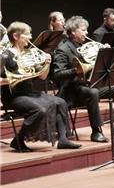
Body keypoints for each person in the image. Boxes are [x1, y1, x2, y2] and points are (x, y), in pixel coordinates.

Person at [52, 16, 114, 141]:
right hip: (72, 90)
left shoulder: (85, 45)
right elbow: (57, 75)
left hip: (89, 85)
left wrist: (105, 53)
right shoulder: (63, 49)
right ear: (73, 32)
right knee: (93, 92)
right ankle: (96, 131)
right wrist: (77, 70)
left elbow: (98, 65)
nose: (87, 33)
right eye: (83, 30)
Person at [1, 22, 81, 151]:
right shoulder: (5, 56)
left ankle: (63, 140)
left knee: (60, 102)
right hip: (14, 96)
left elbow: (42, 77)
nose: (31, 38)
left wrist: (47, 63)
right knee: (40, 109)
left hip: (30, 93)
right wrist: (14, 78)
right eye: (27, 35)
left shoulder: (29, 53)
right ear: (16, 36)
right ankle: (18, 139)